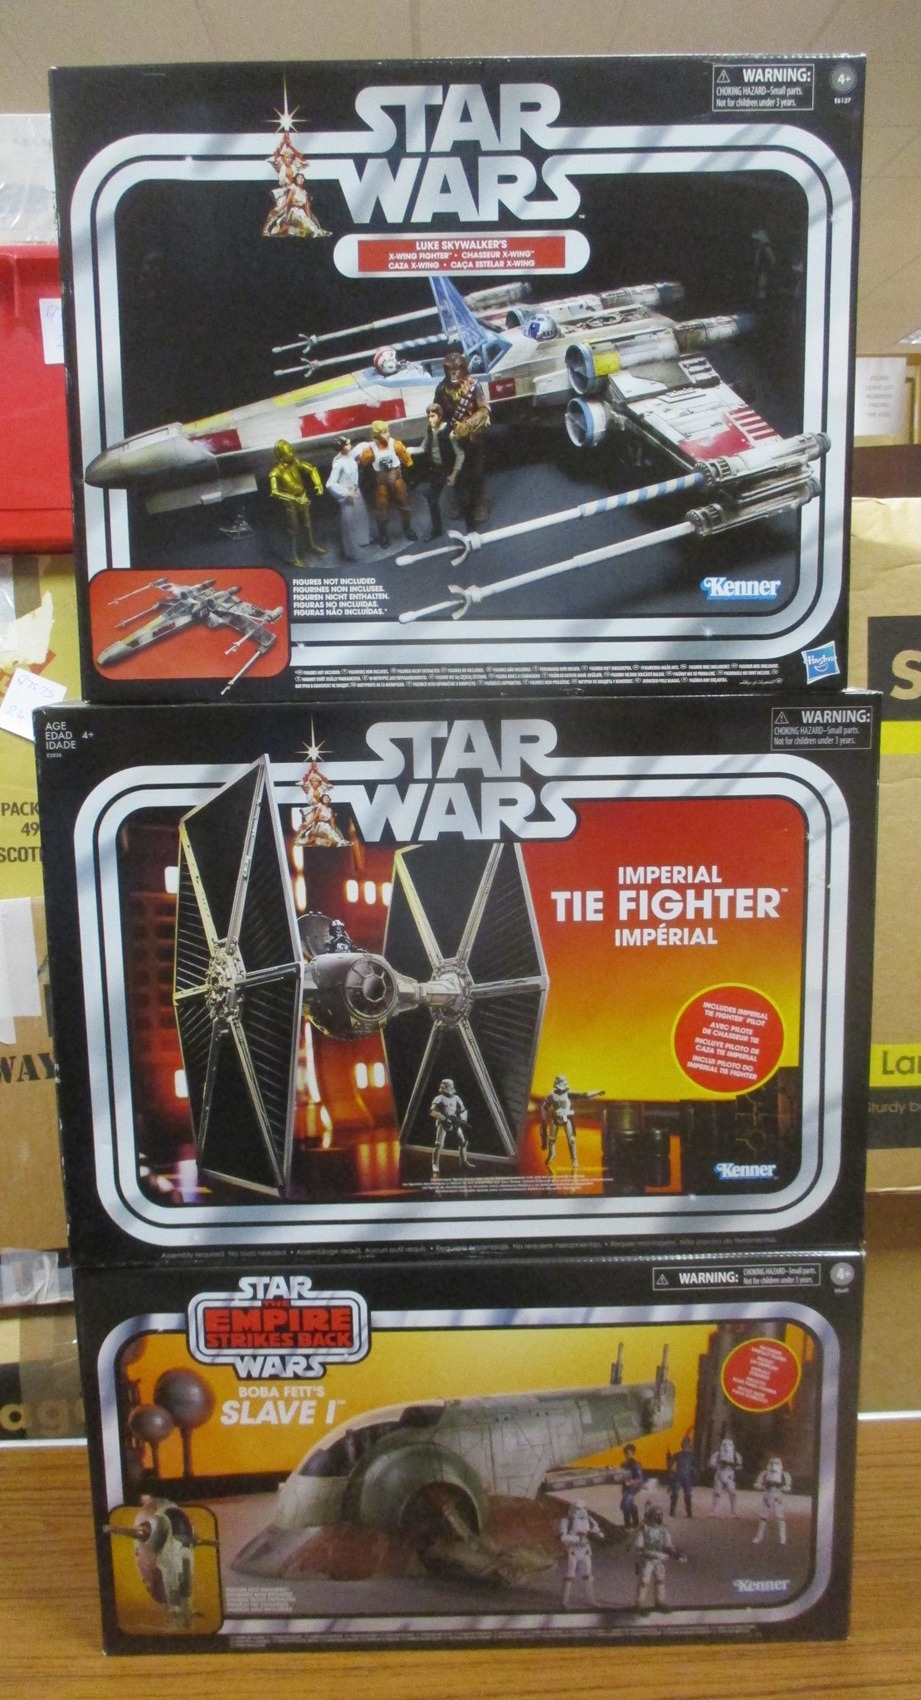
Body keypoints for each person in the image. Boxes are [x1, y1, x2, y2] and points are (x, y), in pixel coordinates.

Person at [433, 349, 490, 525]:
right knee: (454, 471)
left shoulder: (473, 386)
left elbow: (484, 409)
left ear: (463, 369)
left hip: (471, 435)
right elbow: (437, 411)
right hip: (451, 436)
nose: (453, 373)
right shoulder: (441, 388)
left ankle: (479, 502)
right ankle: (458, 500)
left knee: (476, 471)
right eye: (449, 370)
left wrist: (469, 424)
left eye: (456, 369)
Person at [357, 421, 418, 548]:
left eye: (388, 431)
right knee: (382, 509)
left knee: (404, 504)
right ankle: (383, 534)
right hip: (381, 483)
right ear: (376, 435)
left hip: (397, 479)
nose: (388, 434)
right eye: (384, 432)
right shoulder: (369, 451)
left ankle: (407, 528)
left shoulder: (396, 445)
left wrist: (411, 477)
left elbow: (408, 461)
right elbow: (361, 464)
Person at [268, 439, 326, 565]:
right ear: (281, 456)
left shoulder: (295, 462)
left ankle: (312, 545)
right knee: (294, 530)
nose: (292, 454)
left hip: (302, 496)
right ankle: (295, 558)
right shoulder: (276, 472)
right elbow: (274, 492)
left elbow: (311, 469)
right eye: (288, 452)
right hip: (290, 502)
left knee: (308, 523)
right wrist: (294, 499)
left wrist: (318, 484)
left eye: (291, 451)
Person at [415, 403, 457, 538]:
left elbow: (459, 453)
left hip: (451, 467)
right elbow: (426, 444)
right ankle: (437, 530)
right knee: (432, 499)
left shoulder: (448, 430)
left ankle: (471, 527)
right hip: (437, 469)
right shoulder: (431, 429)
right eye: (428, 416)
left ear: (440, 416)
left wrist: (454, 472)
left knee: (464, 496)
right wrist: (414, 450)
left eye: (432, 416)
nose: (430, 419)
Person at [325, 436, 371, 560]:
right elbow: (330, 484)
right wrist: (345, 492)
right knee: (349, 522)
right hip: (348, 494)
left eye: (350, 443)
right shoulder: (338, 463)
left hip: (356, 490)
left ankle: (363, 539)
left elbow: (362, 446)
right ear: (341, 447)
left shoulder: (350, 455)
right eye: (347, 444)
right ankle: (352, 550)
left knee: (361, 515)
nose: (350, 446)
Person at [634, 1504, 683, 1612]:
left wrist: (674, 1552)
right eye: (658, 1515)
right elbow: (639, 1546)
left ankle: (660, 1602)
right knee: (644, 1581)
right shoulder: (644, 1529)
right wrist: (639, 1557)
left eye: (660, 1515)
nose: (660, 1517)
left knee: (660, 1580)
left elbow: (668, 1544)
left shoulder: (663, 1530)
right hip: (647, 1559)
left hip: (659, 1559)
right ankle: (639, 1604)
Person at [560, 1500, 602, 1609]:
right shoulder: (566, 1521)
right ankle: (564, 1601)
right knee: (570, 1576)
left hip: (585, 1551)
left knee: (588, 1575)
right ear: (573, 1509)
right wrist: (578, 1539)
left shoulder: (589, 1520)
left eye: (584, 1508)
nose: (582, 1510)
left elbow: (596, 1530)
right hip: (573, 1551)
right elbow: (563, 1537)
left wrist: (598, 1534)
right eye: (579, 1508)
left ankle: (591, 1600)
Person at [429, 1078, 473, 1176]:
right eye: (448, 1086)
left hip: (455, 1122)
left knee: (463, 1142)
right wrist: (444, 1118)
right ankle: (435, 1164)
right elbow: (432, 1111)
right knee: (438, 1144)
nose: (450, 1088)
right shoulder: (439, 1098)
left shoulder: (456, 1098)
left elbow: (463, 1110)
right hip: (443, 1123)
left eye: (451, 1086)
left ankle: (463, 1161)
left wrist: (463, 1119)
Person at [752, 1455, 793, 1545]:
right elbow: (756, 1484)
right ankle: (759, 1536)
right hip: (767, 1496)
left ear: (780, 1465)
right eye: (772, 1463)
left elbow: (788, 1487)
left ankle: (782, 1537)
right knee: (763, 1517)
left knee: (780, 1517)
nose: (774, 1466)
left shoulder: (784, 1475)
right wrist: (765, 1486)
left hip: (778, 1497)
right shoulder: (764, 1474)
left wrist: (779, 1486)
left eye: (776, 1463)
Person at [709, 1433, 743, 1517]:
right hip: (719, 1475)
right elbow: (711, 1464)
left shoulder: (736, 1455)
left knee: (733, 1494)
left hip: (730, 1477)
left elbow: (740, 1466)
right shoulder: (717, 1454)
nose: (726, 1447)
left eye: (729, 1445)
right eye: (724, 1445)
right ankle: (713, 1511)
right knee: (716, 1493)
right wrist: (720, 1464)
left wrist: (731, 1465)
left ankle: (734, 1512)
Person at [666, 1435, 698, 1518]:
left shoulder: (678, 1454)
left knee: (676, 1493)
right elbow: (695, 1469)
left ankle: (673, 1511)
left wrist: (668, 1458)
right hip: (686, 1476)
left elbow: (669, 1465)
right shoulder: (691, 1456)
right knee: (686, 1494)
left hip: (680, 1476)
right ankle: (688, 1512)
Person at [619, 1442, 644, 1529]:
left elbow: (639, 1478)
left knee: (625, 1505)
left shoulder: (636, 1465)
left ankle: (629, 1524)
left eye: (628, 1453)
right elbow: (620, 1476)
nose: (626, 1455)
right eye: (625, 1453)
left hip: (632, 1488)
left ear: (633, 1453)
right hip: (625, 1488)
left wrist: (631, 1482)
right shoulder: (623, 1464)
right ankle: (633, 1523)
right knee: (629, 1505)